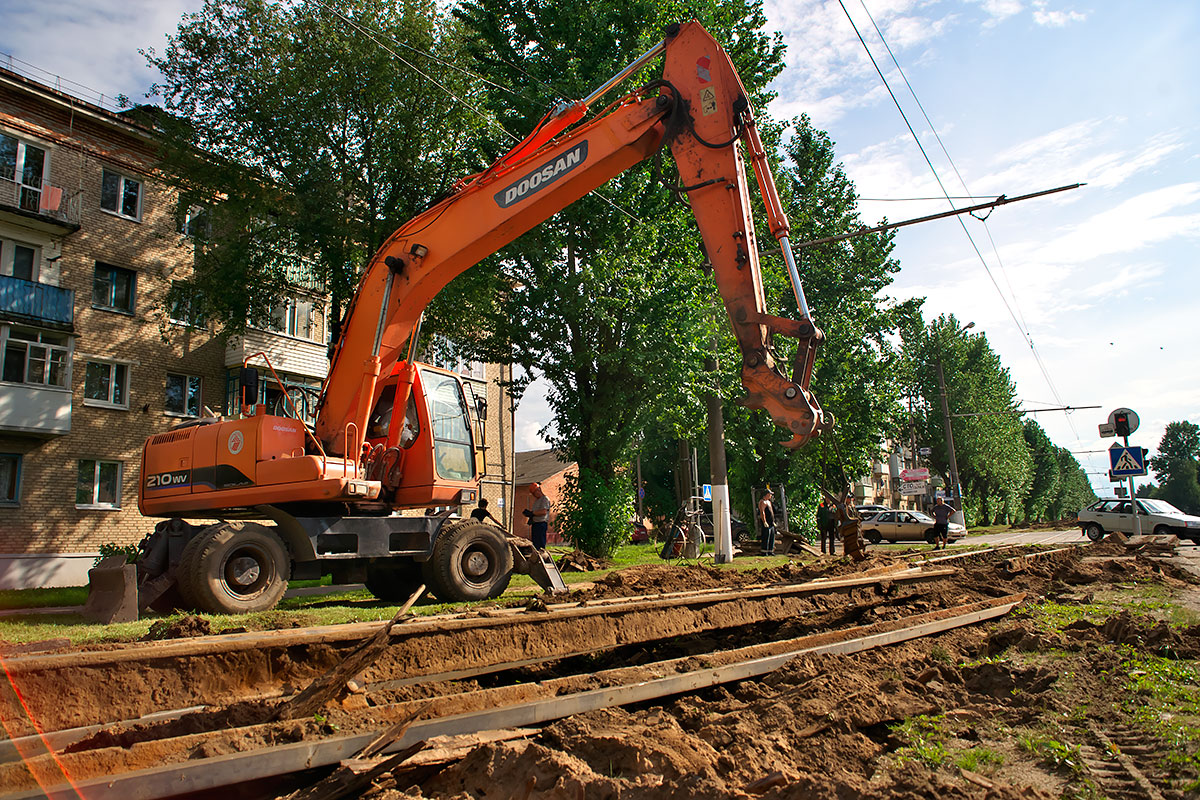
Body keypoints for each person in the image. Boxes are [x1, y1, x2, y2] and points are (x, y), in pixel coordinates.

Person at [524, 483, 551, 550]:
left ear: (538, 490)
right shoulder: (537, 501)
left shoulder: (544, 499)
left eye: (534, 493)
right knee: (535, 544)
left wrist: (532, 513)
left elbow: (544, 512)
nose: (533, 495)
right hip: (535, 524)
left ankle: (542, 557)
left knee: (540, 544)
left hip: (541, 524)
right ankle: (536, 557)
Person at [758, 489, 776, 556]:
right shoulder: (762, 502)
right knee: (766, 537)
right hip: (766, 523)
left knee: (771, 536)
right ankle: (764, 551)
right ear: (766, 494)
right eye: (770, 494)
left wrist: (773, 521)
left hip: (771, 522)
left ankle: (770, 551)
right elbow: (762, 512)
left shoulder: (769, 502)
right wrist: (764, 521)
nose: (771, 495)